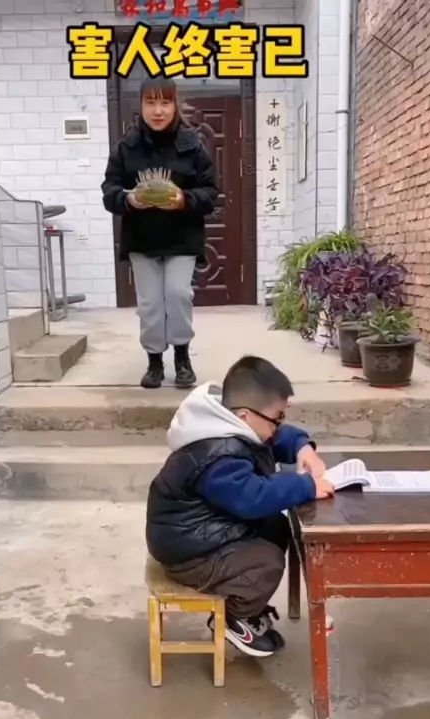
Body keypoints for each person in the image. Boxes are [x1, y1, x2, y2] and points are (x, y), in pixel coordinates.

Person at [146, 356, 335, 658]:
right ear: (245, 415)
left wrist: (302, 448)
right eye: (277, 418)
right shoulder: (218, 455)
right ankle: (235, 618)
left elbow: (275, 438)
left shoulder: (231, 424)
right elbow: (252, 498)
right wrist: (306, 486)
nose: (279, 425)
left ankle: (248, 602)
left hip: (205, 531)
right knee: (266, 562)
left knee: (276, 525)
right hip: (187, 551)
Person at [101, 77, 219, 390]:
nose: (158, 111)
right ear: (141, 106)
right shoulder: (126, 148)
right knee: (150, 304)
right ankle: (154, 361)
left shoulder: (193, 145)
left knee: (178, 295)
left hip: (182, 239)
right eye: (151, 103)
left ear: (175, 104)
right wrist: (128, 199)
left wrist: (184, 199)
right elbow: (109, 191)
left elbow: (211, 193)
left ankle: (182, 358)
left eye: (165, 103)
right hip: (142, 240)